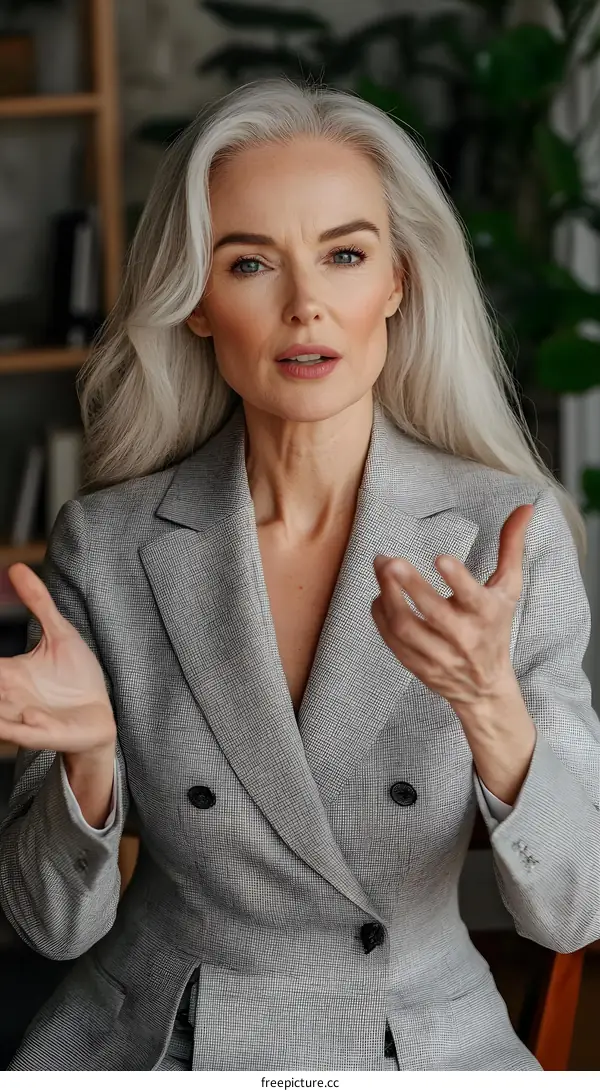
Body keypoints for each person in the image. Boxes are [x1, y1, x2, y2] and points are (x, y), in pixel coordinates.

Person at [0, 76, 599, 1073]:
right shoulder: (104, 548)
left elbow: (577, 909)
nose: (306, 304)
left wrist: (493, 707)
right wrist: (91, 761)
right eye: (250, 263)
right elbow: (48, 926)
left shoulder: (509, 536)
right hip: (160, 1039)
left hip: (415, 1043)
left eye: (345, 254)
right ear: (196, 300)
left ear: (397, 283)